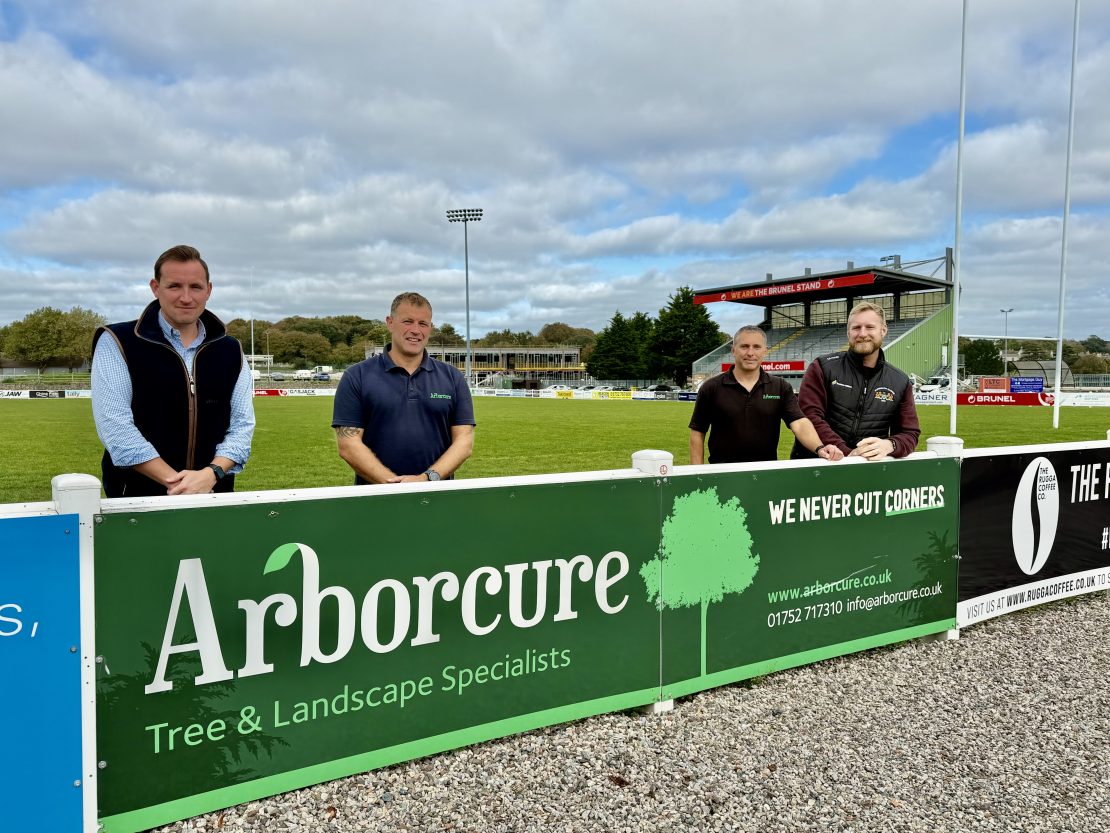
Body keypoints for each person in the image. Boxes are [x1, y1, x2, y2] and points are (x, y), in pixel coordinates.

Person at [92, 245, 255, 497]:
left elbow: (242, 426)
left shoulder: (231, 349)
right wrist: (179, 485)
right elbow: (116, 429)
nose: (186, 297)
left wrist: (211, 474)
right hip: (137, 500)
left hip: (213, 494)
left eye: (196, 287)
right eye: (175, 286)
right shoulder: (117, 341)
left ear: (208, 290)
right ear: (156, 288)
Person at [333, 292, 475, 484]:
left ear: (430, 328)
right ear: (390, 323)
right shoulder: (356, 376)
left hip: (437, 495)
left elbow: (464, 441)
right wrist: (396, 486)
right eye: (408, 321)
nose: (416, 330)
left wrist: (427, 479)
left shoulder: (453, 377)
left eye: (423, 323)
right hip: (377, 497)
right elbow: (348, 444)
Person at [689, 325, 843, 464]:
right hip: (722, 473)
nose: (750, 353)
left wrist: (819, 448)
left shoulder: (780, 387)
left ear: (765, 351)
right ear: (733, 350)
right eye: (744, 346)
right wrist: (697, 474)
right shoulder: (711, 387)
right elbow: (697, 432)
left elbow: (799, 423)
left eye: (756, 347)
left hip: (765, 473)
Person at [790, 301, 920, 461]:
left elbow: (910, 433)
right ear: (848, 333)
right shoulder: (822, 367)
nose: (862, 334)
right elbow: (810, 416)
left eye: (870, 327)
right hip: (817, 466)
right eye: (856, 328)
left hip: (867, 471)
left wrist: (890, 444)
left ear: (883, 330)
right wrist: (847, 454)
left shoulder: (900, 381)